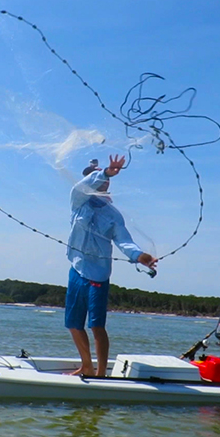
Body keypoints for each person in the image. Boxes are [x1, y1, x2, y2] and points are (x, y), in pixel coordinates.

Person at [65, 154, 158, 376]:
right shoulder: (77, 200)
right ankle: (86, 365)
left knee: (96, 325)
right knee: (73, 323)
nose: (99, 182)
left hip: (98, 274)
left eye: (104, 180)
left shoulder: (113, 215)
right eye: (94, 178)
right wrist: (105, 171)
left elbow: (123, 240)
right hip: (76, 269)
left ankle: (100, 372)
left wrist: (139, 256)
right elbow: (83, 185)